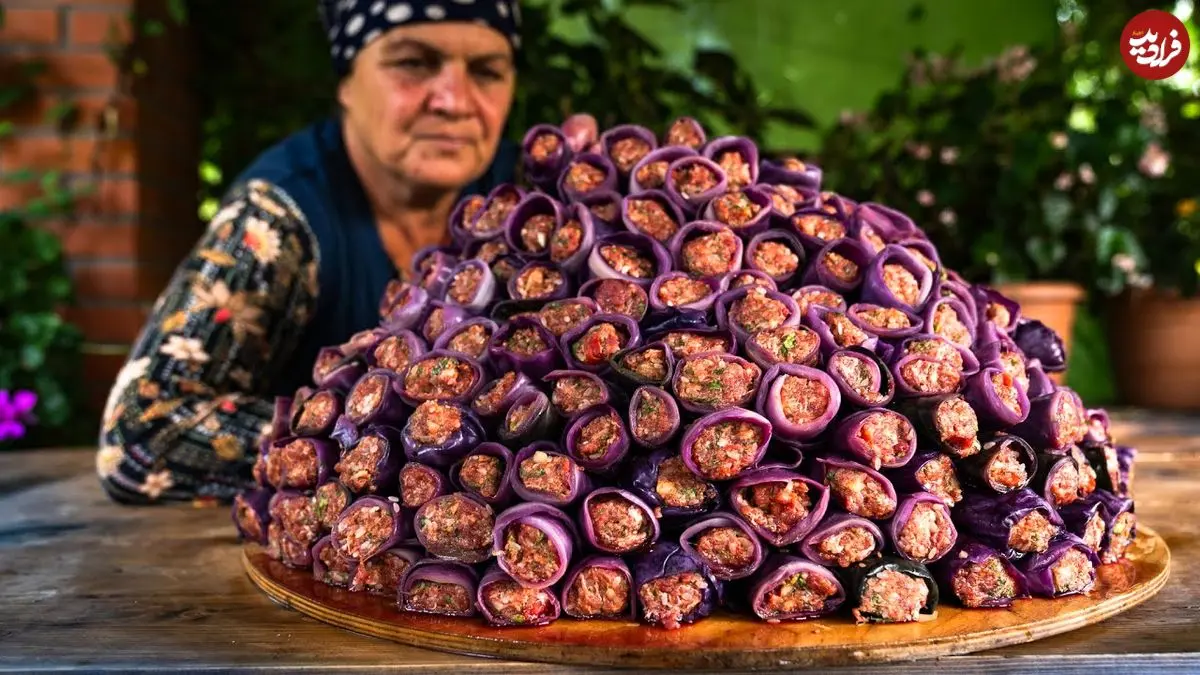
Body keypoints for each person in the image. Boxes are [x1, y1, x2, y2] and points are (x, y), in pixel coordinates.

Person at [95, 0, 598, 505]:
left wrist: (603, 197)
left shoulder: (533, 200)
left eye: (487, 71)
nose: (453, 101)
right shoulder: (281, 215)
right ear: (346, 83)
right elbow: (141, 434)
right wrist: (374, 445)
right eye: (413, 63)